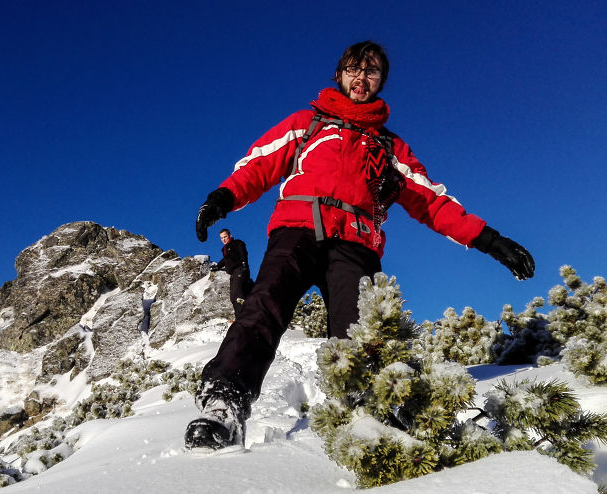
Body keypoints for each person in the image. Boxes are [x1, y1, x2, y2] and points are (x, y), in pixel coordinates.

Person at [185, 41, 535, 452]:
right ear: (339, 75)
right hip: (297, 230)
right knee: (264, 307)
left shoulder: (389, 148)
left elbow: (432, 201)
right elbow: (259, 163)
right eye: (354, 69)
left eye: (371, 72)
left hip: (356, 244)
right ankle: (224, 405)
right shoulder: (308, 124)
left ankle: (366, 417)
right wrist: (223, 198)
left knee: (360, 336)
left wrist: (489, 240)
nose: (361, 78)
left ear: (380, 82)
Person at [210, 229, 253, 319]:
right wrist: (218, 266)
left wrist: (244, 263)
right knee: (233, 297)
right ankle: (242, 316)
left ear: (230, 235)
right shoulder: (226, 249)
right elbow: (226, 260)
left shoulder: (236, 243)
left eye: (225, 236)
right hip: (234, 273)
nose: (224, 239)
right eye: (222, 238)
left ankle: (242, 317)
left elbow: (243, 252)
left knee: (237, 294)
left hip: (240, 270)